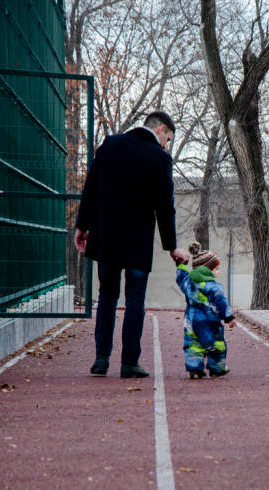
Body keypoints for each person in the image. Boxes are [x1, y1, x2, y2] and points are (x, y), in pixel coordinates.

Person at [75, 111, 189, 378]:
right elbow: (165, 206)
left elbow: (90, 188)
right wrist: (171, 246)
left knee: (107, 295)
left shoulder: (110, 145)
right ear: (161, 129)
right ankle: (129, 363)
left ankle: (101, 359)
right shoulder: (159, 157)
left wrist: (82, 227)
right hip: (137, 241)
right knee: (135, 298)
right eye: (168, 139)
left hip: (107, 235)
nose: (166, 145)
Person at [175, 242, 236, 379]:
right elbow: (221, 303)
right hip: (210, 322)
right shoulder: (214, 287)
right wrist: (229, 317)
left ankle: (195, 369)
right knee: (216, 345)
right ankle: (216, 369)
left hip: (191, 322)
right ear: (208, 270)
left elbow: (181, 277)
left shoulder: (189, 283)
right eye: (216, 269)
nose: (218, 272)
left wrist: (182, 265)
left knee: (193, 345)